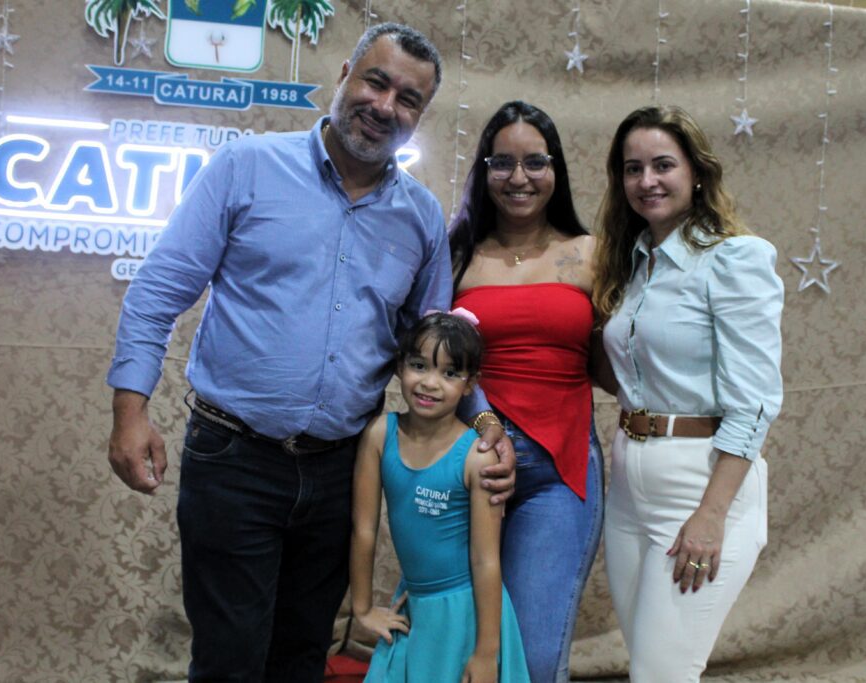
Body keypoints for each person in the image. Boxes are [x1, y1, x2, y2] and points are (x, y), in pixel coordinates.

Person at [106, 23, 514, 682]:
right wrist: (130, 413)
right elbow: (156, 293)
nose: (385, 106)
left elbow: (440, 347)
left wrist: (487, 422)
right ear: (345, 75)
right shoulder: (246, 167)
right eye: (376, 82)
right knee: (230, 660)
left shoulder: (420, 218)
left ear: (420, 115)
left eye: (408, 99)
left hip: (341, 470)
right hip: (233, 458)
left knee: (301, 658)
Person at [591, 105, 783, 682]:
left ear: (696, 172)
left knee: (662, 672)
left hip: (699, 483)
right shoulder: (634, 263)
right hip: (629, 484)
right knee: (648, 666)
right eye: (633, 169)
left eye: (663, 165)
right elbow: (633, 375)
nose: (647, 181)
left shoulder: (734, 258)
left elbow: (755, 401)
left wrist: (711, 514)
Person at [448, 101, 604, 683]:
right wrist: (485, 425)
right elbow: (430, 360)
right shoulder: (454, 253)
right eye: (502, 162)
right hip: (465, 463)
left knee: (534, 660)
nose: (519, 177)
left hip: (559, 472)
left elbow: (621, 359)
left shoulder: (592, 253)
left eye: (535, 162)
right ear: (484, 170)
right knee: (448, 642)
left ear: (555, 168)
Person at [350, 311, 531, 683]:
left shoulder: (477, 457)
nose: (430, 383)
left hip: (466, 614)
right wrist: (363, 608)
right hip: (413, 606)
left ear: (470, 384)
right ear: (400, 366)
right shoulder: (380, 435)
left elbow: (485, 560)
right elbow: (364, 529)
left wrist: (486, 653)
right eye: (419, 366)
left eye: (449, 373)